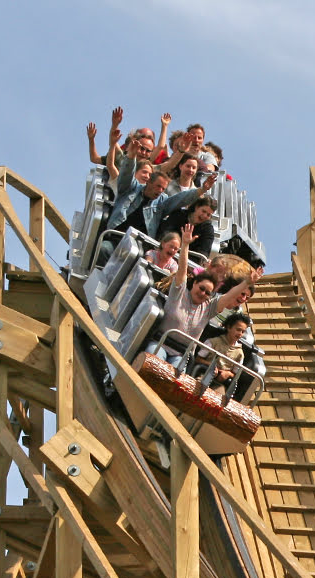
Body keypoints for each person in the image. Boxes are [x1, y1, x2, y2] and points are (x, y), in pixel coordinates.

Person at [144, 224, 264, 368]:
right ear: (194, 284)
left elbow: (229, 296)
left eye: (208, 293)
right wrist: (186, 245)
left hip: (180, 353)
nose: (203, 293)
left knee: (174, 374)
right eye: (201, 289)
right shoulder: (180, 293)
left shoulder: (208, 308)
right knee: (154, 364)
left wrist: (247, 283)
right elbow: (182, 269)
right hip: (161, 343)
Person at [99, 133, 217, 265]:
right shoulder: (131, 188)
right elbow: (126, 174)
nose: (160, 191)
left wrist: (201, 190)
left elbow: (180, 199)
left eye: (163, 188)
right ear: (149, 182)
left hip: (140, 246)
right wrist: (131, 156)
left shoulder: (161, 202)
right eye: (158, 187)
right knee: (104, 249)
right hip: (116, 237)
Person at [196, 312, 251, 392]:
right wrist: (211, 366)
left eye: (243, 332)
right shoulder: (213, 342)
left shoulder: (239, 353)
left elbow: (235, 374)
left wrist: (228, 373)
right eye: (238, 330)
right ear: (229, 327)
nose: (240, 334)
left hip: (219, 384)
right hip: (204, 375)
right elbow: (198, 359)